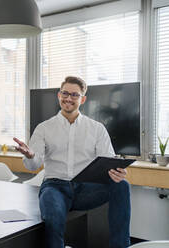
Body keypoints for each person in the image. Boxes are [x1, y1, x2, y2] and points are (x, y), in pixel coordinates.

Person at [14, 76, 131, 248]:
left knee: (122, 185)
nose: (68, 98)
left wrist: (116, 172)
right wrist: (31, 155)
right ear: (59, 95)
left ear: (82, 99)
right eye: (65, 93)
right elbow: (33, 164)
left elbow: (107, 161)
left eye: (74, 95)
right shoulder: (44, 128)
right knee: (53, 217)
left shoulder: (97, 128)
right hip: (55, 187)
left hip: (86, 188)